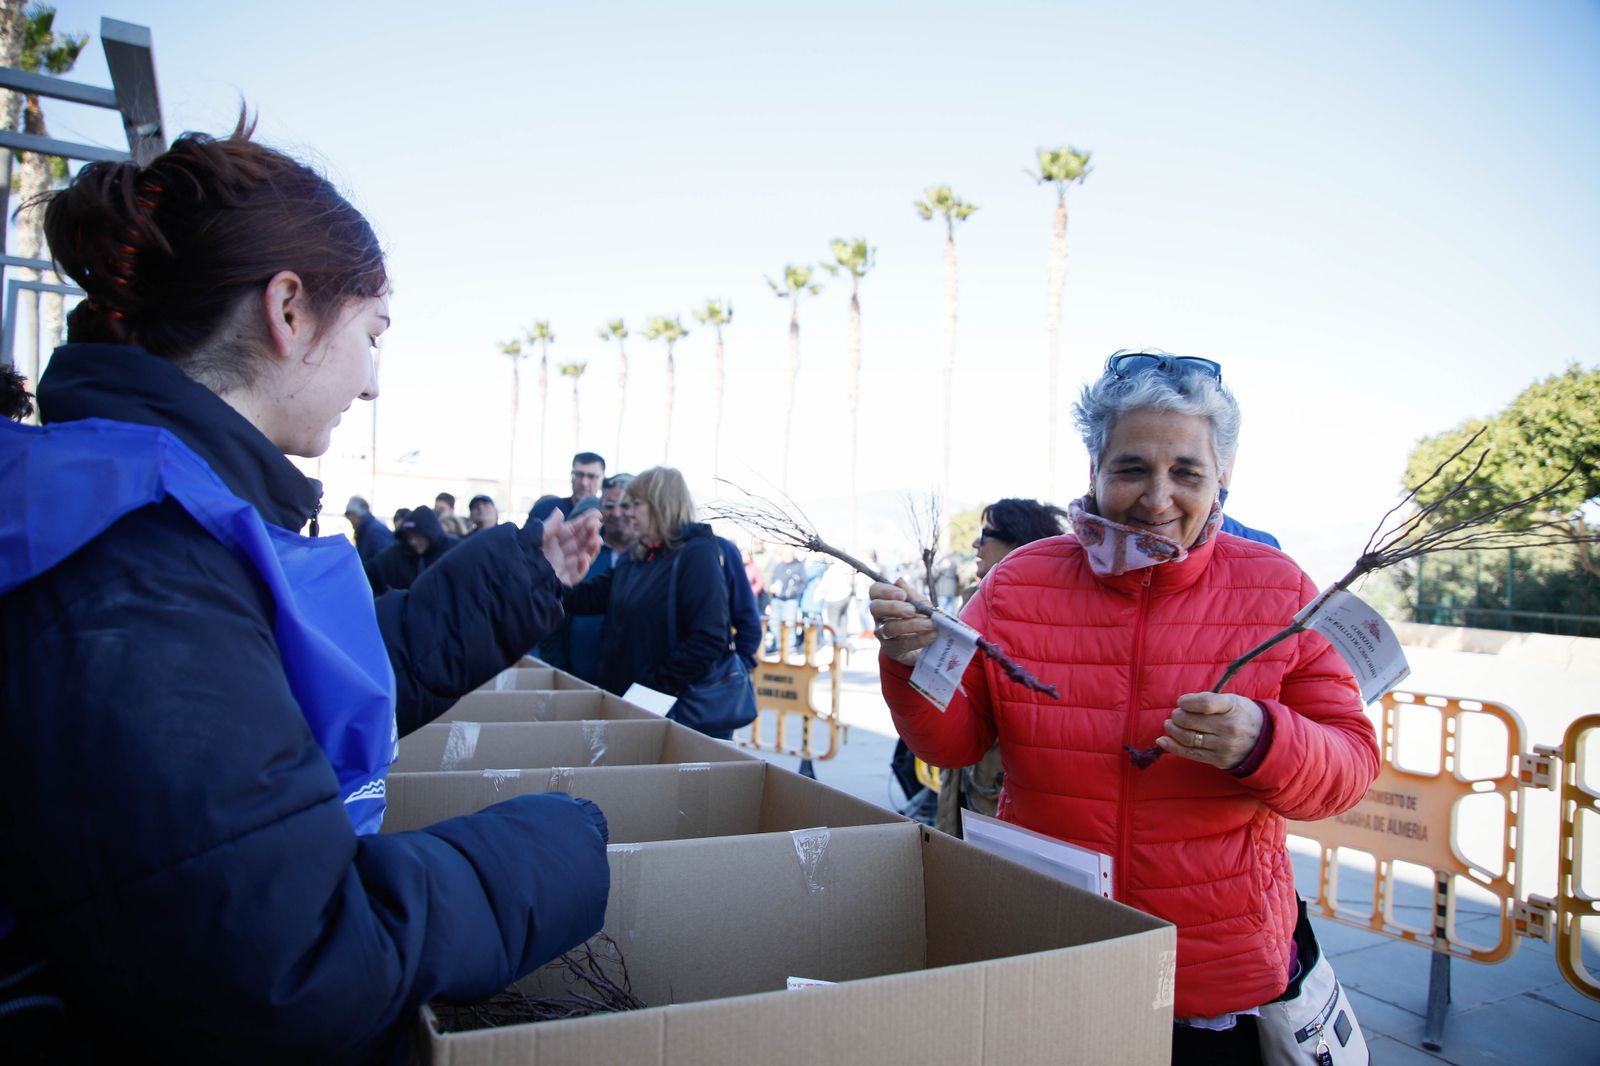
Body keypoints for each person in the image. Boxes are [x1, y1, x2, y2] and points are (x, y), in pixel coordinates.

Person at [0, 121, 609, 1062]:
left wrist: (523, 577)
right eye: (372, 333)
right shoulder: (134, 566)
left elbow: (287, 703)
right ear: (289, 311)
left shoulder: (157, 513)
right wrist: (555, 849)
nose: (370, 384)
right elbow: (290, 966)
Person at [871, 351, 1379, 1062]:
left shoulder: (1280, 590)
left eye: (1187, 472)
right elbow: (954, 742)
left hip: (1213, 973)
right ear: (1095, 472)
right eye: (1132, 468)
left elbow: (1351, 764)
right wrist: (910, 662)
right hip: (1053, 945)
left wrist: (1267, 739)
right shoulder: (1021, 582)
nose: (1157, 498)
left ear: (1222, 478)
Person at [564, 467, 744, 737]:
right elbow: (588, 598)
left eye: (636, 504)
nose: (628, 512)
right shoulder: (637, 557)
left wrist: (652, 688)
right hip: (628, 704)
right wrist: (553, 576)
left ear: (662, 505)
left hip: (668, 714)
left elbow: (708, 638)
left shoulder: (695, 555)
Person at [934, 498, 1070, 837]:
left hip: (1004, 788)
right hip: (968, 777)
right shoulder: (975, 599)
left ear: (1018, 542)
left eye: (987, 534)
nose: (975, 543)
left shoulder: (1042, 614)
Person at [549, 472, 635, 681]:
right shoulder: (583, 550)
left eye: (625, 505)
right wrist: (557, 666)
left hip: (629, 682)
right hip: (573, 676)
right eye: (609, 505)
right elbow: (553, 608)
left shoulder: (650, 561)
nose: (616, 513)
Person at [366, 502, 456, 594]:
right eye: (409, 537)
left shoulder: (453, 550)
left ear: (430, 534)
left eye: (418, 536)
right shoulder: (396, 554)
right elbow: (369, 573)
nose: (413, 541)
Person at [530, 450, 605, 522]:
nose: (584, 483)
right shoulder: (545, 510)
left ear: (602, 479)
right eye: (579, 475)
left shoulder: (610, 516)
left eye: (591, 476)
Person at [344, 494, 394, 564]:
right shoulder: (365, 529)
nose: (350, 520)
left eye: (350, 515)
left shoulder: (374, 531)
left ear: (355, 514)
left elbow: (386, 560)